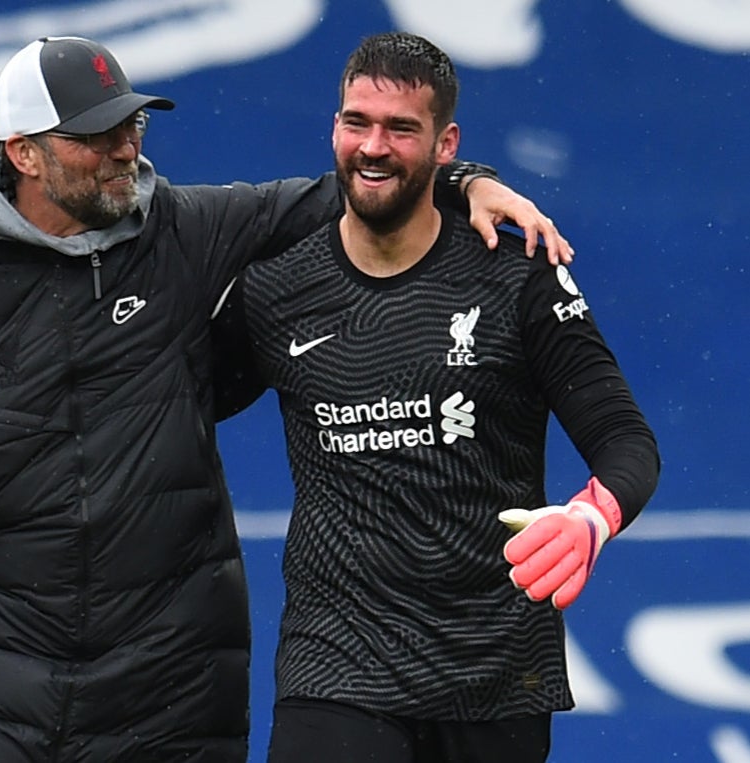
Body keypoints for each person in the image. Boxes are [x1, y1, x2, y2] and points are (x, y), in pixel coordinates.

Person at [0, 35, 570, 763]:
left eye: (132, 126)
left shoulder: (186, 229)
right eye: (96, 135)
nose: (122, 149)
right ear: (24, 153)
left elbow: (360, 184)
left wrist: (463, 179)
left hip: (171, 692)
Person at [207, 32, 660, 763]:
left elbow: (625, 440)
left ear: (446, 143)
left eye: (400, 128)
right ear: (334, 127)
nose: (372, 147)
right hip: (337, 666)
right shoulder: (275, 289)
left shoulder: (519, 279)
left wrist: (590, 515)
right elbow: (158, 407)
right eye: (355, 122)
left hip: (494, 669)